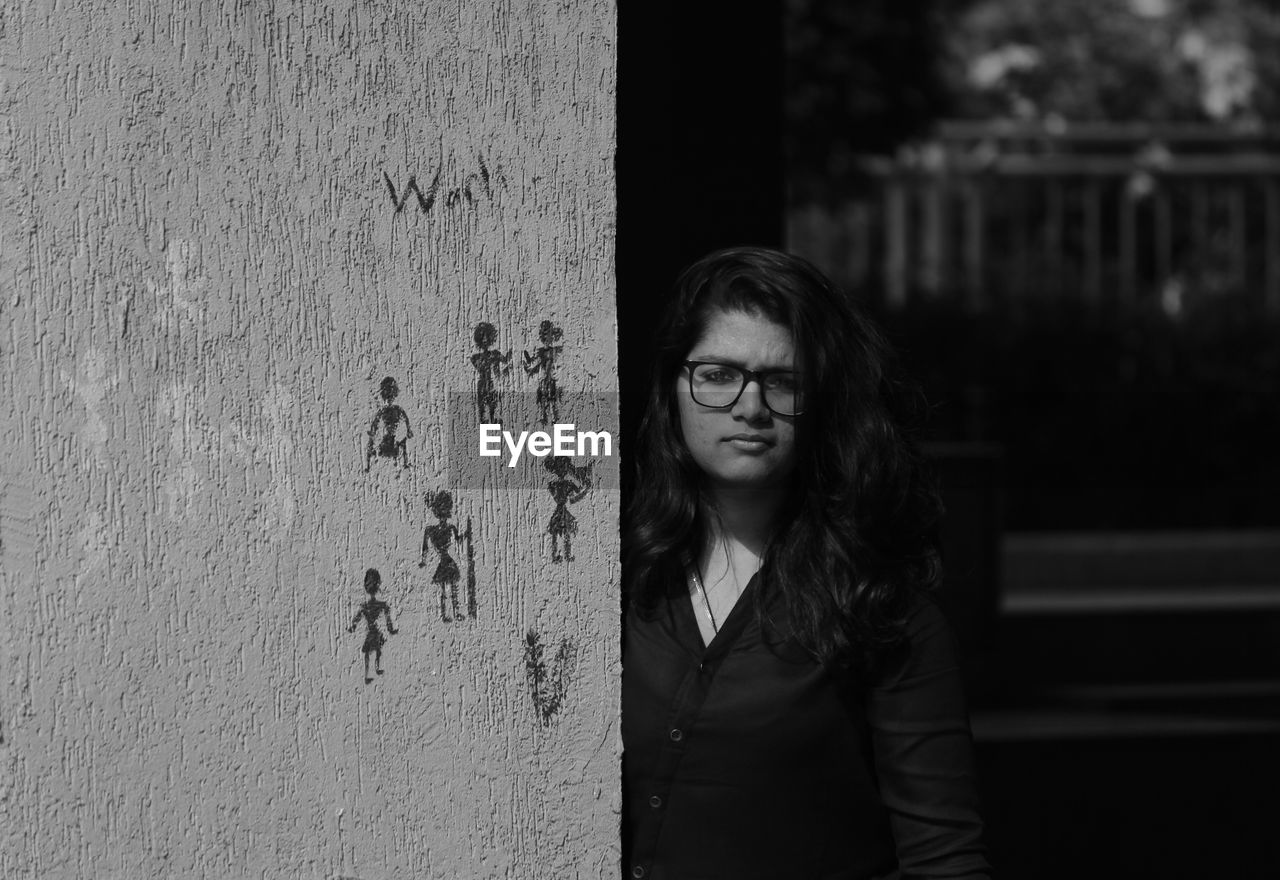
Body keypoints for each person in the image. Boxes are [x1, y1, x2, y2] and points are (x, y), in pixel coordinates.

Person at [622, 247, 991, 879]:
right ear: (672, 388)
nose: (750, 406)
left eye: (784, 381)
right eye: (716, 374)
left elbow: (946, 864)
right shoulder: (612, 574)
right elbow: (481, 439)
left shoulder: (881, 611)